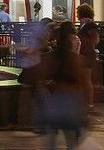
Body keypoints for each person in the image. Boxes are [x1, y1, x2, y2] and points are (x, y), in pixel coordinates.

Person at [36, 21, 91, 149]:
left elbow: (41, 80)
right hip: (72, 102)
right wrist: (87, 106)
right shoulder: (78, 60)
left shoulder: (49, 58)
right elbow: (84, 84)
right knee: (71, 139)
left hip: (55, 101)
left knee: (51, 139)